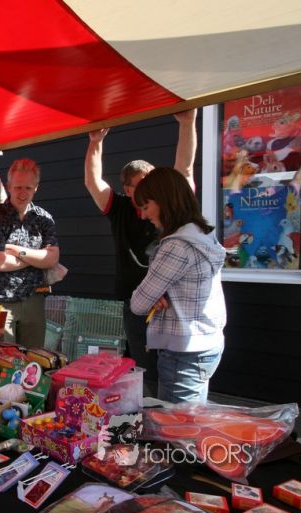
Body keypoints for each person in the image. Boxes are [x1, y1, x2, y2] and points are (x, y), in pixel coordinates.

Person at [84, 109, 197, 383]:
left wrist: (188, 123)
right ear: (128, 189)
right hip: (135, 304)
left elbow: (185, 170)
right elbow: (92, 181)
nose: (152, 187)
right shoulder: (119, 207)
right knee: (145, 372)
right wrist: (96, 142)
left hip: (171, 303)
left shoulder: (171, 206)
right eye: (143, 183)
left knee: (171, 374)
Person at [129, 167, 226, 404]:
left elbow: (138, 303)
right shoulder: (202, 235)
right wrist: (158, 293)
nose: (143, 215)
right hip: (205, 344)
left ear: (165, 200)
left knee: (177, 424)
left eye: (146, 206)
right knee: (193, 418)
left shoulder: (177, 246)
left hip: (184, 352)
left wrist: (153, 294)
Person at [0, 159, 60, 348]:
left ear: (36, 188)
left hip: (34, 299)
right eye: (17, 187)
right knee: (4, 359)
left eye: (28, 188)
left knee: (34, 358)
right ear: (9, 186)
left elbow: (52, 258)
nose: (23, 193)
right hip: (0, 303)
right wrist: (37, 257)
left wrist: (17, 251)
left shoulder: (44, 219)